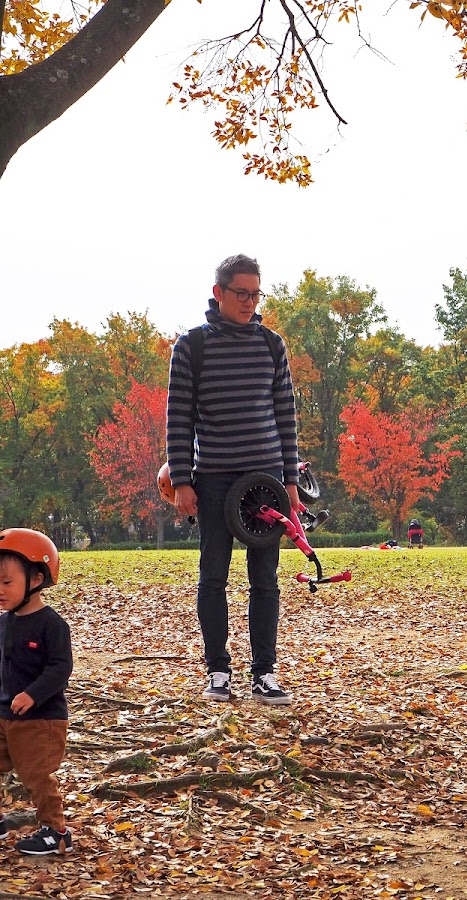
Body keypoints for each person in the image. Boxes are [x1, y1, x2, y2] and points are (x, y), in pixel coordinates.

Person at [166, 254, 299, 706]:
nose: (249, 302)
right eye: (241, 293)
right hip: (216, 478)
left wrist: (291, 484)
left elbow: (286, 415)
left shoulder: (271, 344)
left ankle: (264, 673)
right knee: (213, 577)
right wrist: (183, 480)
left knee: (266, 579)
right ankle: (217, 671)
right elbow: (178, 419)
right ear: (219, 293)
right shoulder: (192, 347)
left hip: (266, 482)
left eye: (255, 293)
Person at [0, 528, 73, 855]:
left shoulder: (51, 624)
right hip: (4, 715)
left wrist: (33, 694)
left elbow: (60, 668)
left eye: (6, 582)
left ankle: (55, 832)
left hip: (40, 720)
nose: (0, 591)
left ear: (36, 579)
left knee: (36, 777)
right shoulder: (4, 622)